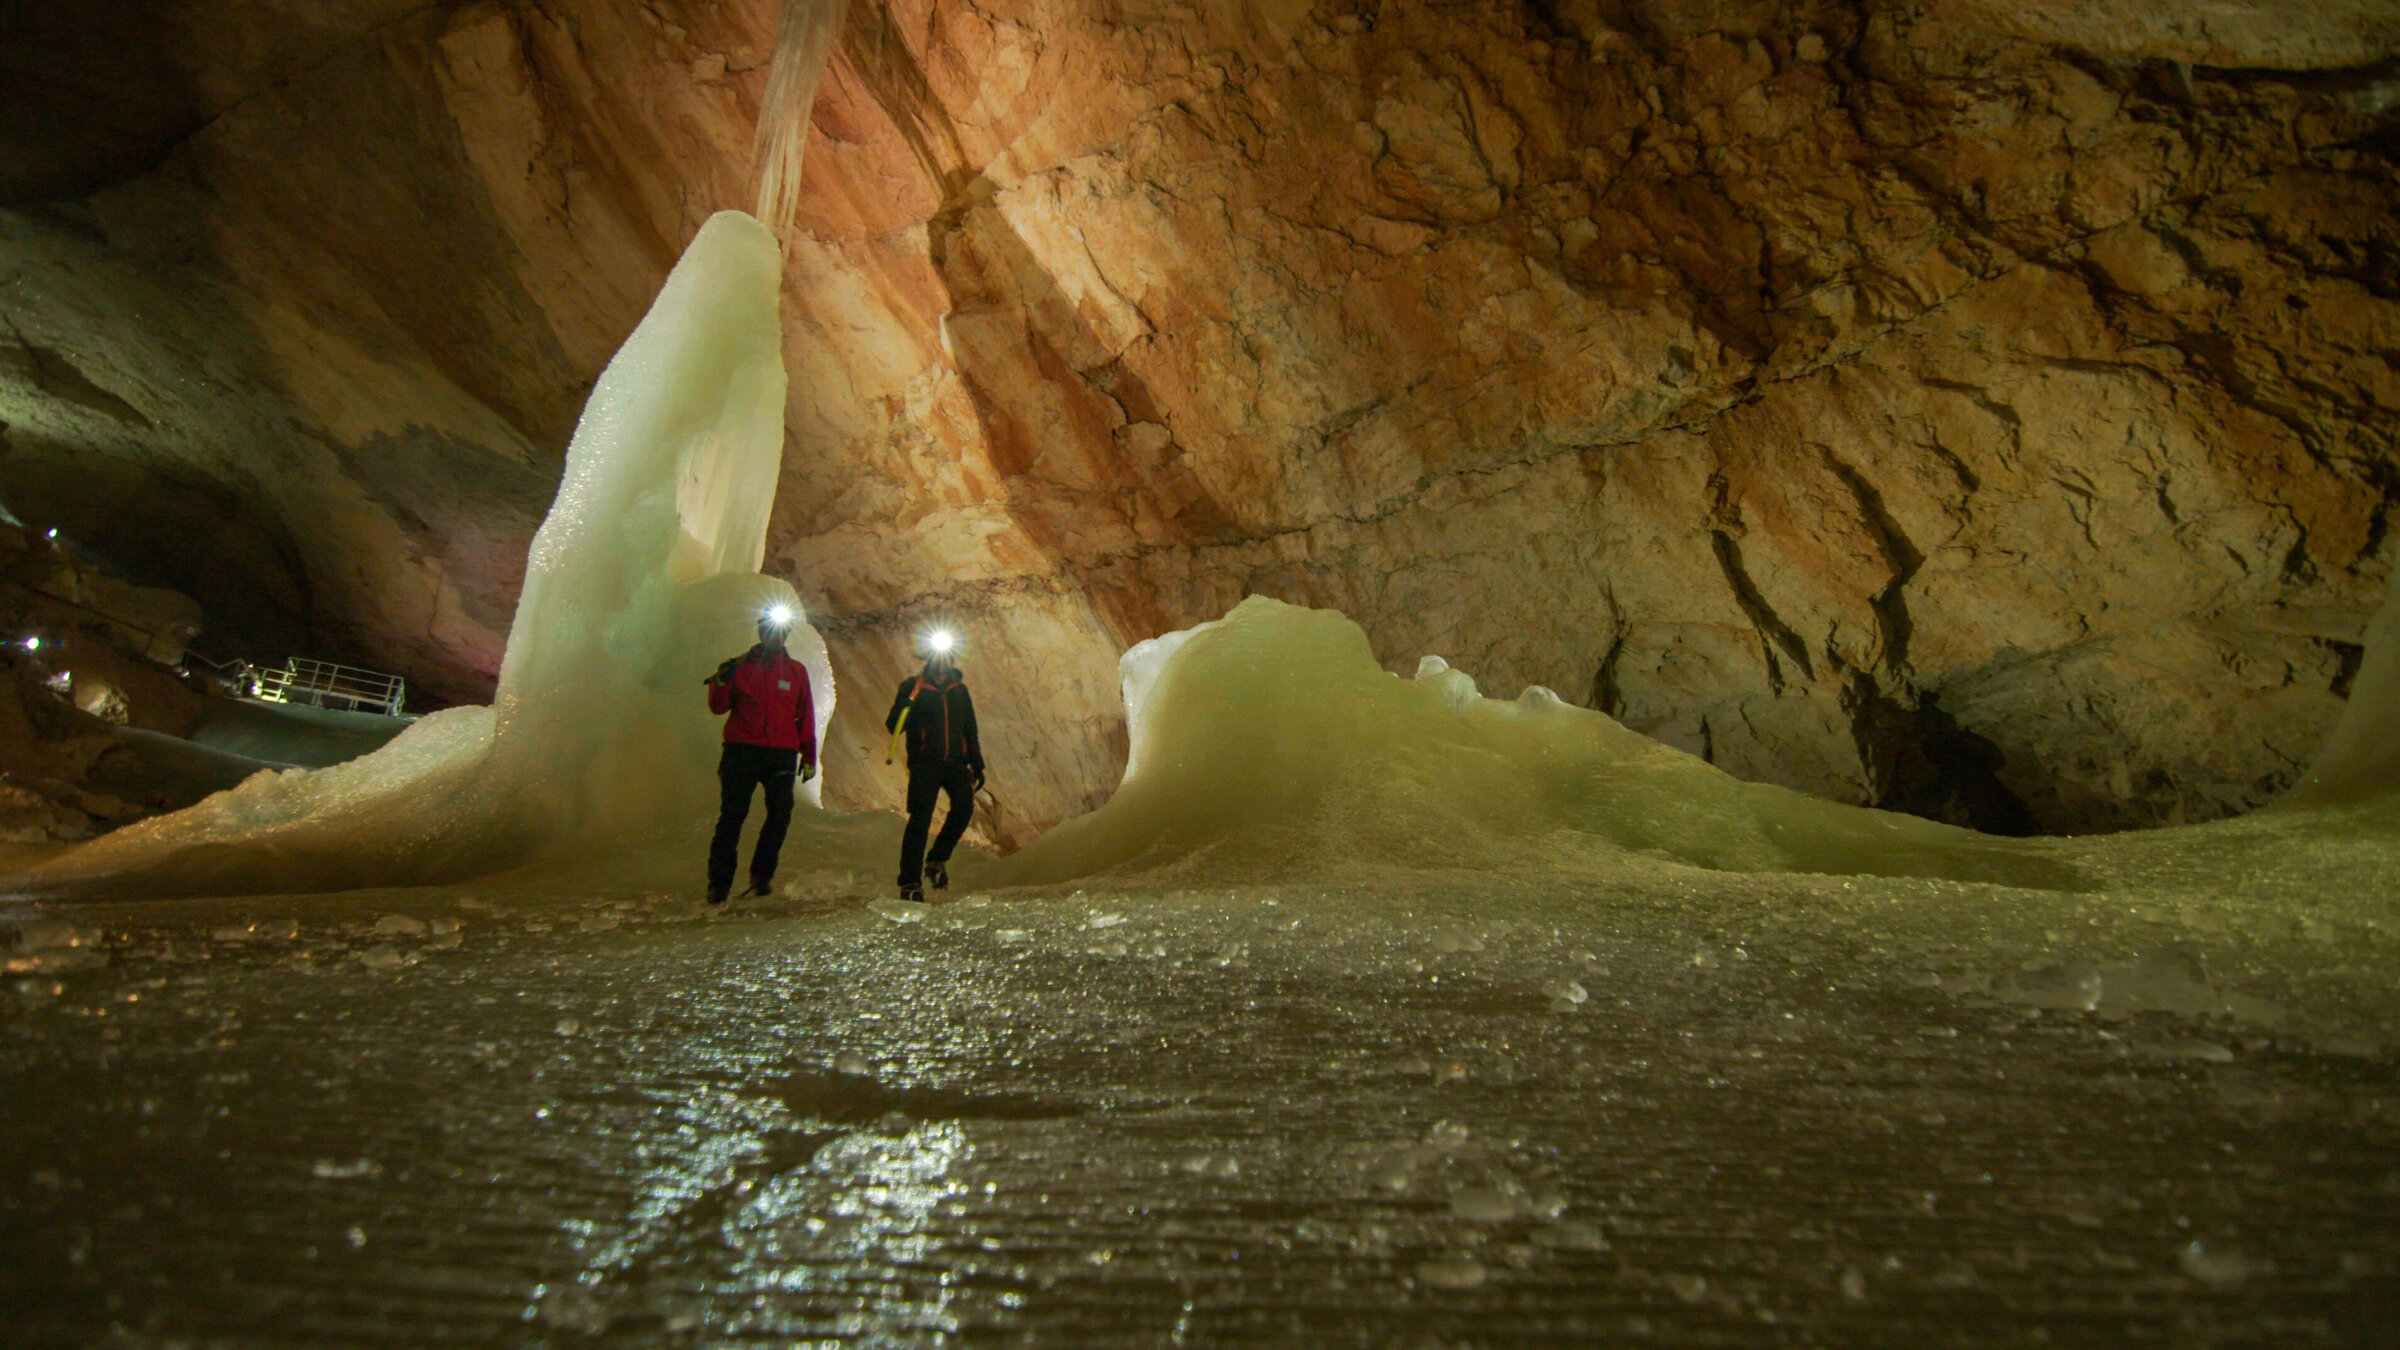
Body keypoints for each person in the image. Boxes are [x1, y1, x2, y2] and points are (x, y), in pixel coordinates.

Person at [703, 606, 817, 905]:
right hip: (742, 750)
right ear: (761, 631)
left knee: (780, 815)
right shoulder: (738, 668)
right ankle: (719, 883)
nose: (776, 635)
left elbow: (805, 715)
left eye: (781, 630)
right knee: (732, 816)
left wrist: (809, 754)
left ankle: (761, 875)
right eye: (770, 629)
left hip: (781, 752)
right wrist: (721, 680)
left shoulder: (796, 672)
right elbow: (718, 707)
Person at [886, 630, 983, 902]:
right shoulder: (912, 687)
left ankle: (937, 859)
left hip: (955, 762)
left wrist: (978, 763)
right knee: (920, 821)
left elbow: (969, 728)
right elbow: (894, 726)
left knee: (963, 808)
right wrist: (905, 706)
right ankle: (910, 882)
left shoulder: (959, 691)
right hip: (925, 764)